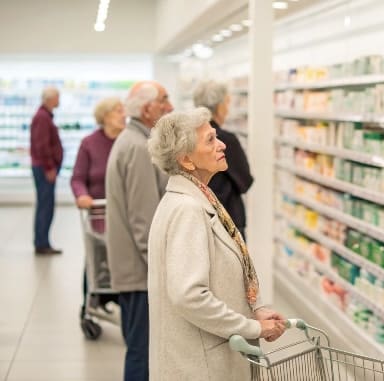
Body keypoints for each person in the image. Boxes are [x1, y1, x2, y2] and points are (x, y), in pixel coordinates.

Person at [147, 109, 285, 380]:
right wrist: (250, 327)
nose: (222, 145)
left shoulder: (199, 197)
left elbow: (216, 282)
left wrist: (252, 313)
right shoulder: (187, 209)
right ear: (186, 159)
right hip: (200, 365)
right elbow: (189, 296)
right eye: (210, 140)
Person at [105, 81, 173, 381]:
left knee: (140, 347)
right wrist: (165, 270)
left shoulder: (132, 140)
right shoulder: (138, 147)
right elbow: (144, 221)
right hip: (139, 272)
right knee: (142, 352)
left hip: (134, 269)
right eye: (164, 100)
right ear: (147, 110)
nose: (169, 107)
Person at [70, 97, 126, 322]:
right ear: (104, 117)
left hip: (124, 215)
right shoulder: (89, 144)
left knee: (123, 262)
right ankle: (91, 303)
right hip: (99, 214)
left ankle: (120, 301)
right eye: (118, 111)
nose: (124, 115)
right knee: (96, 260)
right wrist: (82, 195)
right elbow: (77, 178)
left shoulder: (127, 142)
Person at [193, 80, 253, 239]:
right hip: (227, 220)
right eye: (227, 103)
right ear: (219, 106)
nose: (228, 108)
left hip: (201, 217)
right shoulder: (226, 140)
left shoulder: (191, 137)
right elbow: (245, 181)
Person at [30, 87, 63, 255]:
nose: (59, 100)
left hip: (44, 168)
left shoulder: (45, 116)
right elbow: (41, 145)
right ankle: (42, 243)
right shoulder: (42, 118)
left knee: (46, 205)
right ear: (50, 99)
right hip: (44, 169)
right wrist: (49, 167)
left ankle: (43, 241)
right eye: (58, 97)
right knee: (45, 206)